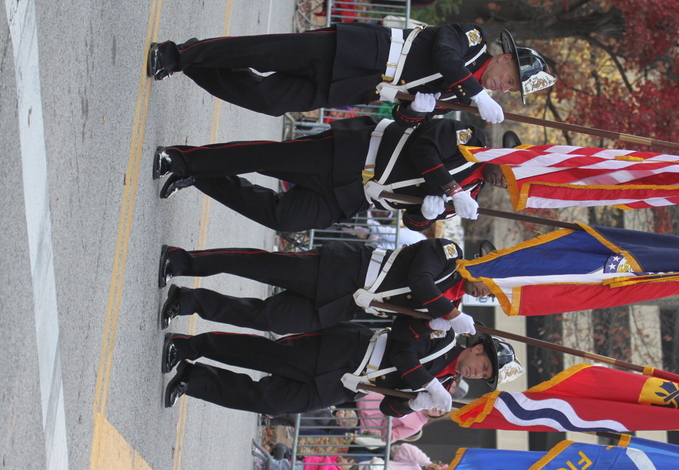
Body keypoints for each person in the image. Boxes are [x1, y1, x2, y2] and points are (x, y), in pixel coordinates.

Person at [152, 117, 510, 232]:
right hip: (353, 154)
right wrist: (449, 186)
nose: (504, 183)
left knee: (284, 218)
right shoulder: (470, 140)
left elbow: (412, 221)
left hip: (356, 195)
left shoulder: (470, 199)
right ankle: (183, 159)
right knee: (266, 158)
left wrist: (425, 216)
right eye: (509, 173)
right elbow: (424, 149)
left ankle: (200, 173)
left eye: (511, 186)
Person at [147, 24, 555, 123]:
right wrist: (475, 93)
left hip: (358, 85)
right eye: (511, 79)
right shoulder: (473, 40)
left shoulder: (462, 98)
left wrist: (418, 110)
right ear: (505, 58)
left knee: (268, 100)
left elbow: (402, 117)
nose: (504, 88)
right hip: (356, 49)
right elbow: (444, 54)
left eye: (511, 90)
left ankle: (193, 61)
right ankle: (177, 54)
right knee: (263, 52)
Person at [161, 315, 521, 418]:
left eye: (484, 376)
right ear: (477, 348)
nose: (477, 373)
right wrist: (427, 385)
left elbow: (388, 406)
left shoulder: (443, 383)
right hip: (345, 351)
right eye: (483, 365)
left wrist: (413, 404)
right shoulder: (444, 335)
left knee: (269, 402)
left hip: (346, 386)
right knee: (260, 355)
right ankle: (189, 346)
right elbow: (403, 352)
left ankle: (193, 379)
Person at [157, 238, 488, 335]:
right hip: (343, 271)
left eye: (493, 295)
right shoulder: (449, 254)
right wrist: (448, 313)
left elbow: (401, 327)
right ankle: (182, 261)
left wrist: (431, 327)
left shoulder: (452, 309)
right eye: (491, 284)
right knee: (259, 266)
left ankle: (188, 301)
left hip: (347, 305)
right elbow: (419, 280)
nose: (487, 293)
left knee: (268, 319)